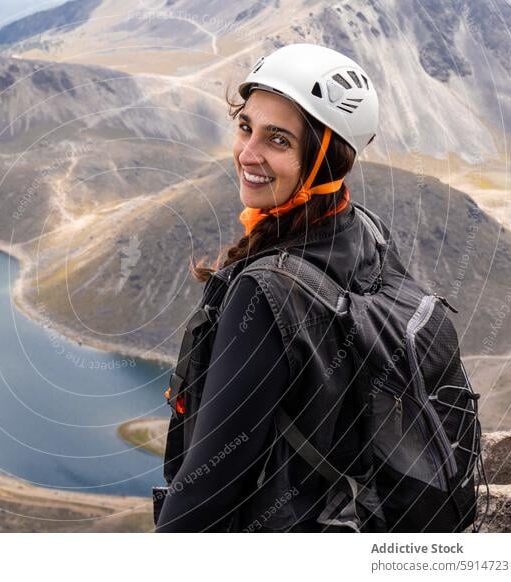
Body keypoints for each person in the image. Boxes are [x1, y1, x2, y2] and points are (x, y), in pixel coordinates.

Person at [155, 43, 382, 532]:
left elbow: (205, 491)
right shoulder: (366, 234)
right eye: (245, 127)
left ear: (325, 160)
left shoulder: (265, 293)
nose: (247, 153)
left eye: (278, 140)